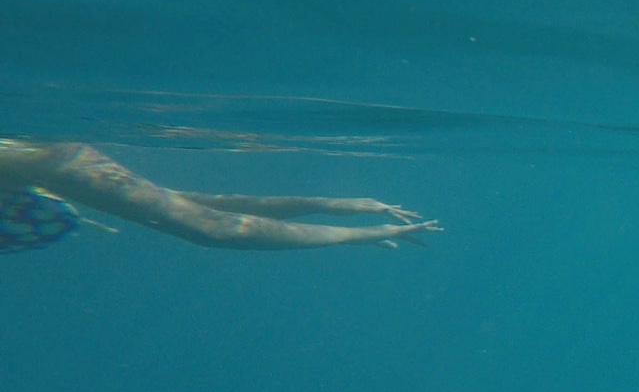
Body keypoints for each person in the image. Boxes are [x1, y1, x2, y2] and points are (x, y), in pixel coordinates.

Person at [0, 139, 439, 253]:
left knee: (207, 228)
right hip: (37, 164)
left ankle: (354, 226)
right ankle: (338, 210)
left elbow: (216, 226)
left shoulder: (46, 165)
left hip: (42, 159)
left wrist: (357, 233)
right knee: (186, 210)